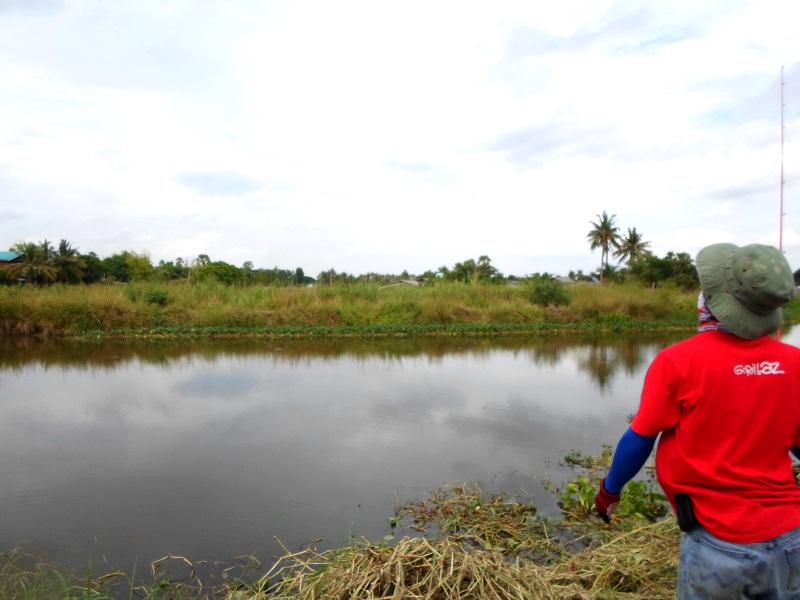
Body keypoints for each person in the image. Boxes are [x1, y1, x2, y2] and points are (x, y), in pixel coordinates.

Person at [593, 242, 800, 599]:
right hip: (792, 539)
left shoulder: (678, 363)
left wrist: (609, 490)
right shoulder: (794, 362)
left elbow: (640, 437)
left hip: (718, 544)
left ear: (711, 303)